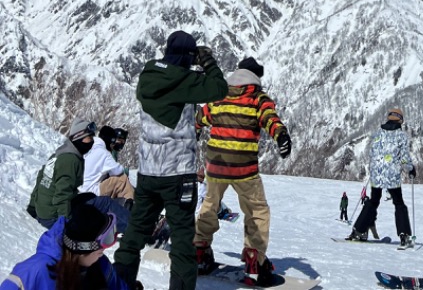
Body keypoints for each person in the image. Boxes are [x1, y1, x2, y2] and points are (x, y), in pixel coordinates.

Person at [113, 31, 227, 290]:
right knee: (184, 242)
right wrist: (207, 61)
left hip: (149, 172)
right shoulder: (186, 80)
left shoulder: (147, 77)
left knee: (134, 235)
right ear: (188, 57)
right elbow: (219, 88)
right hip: (178, 175)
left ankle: (119, 283)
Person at [194, 55, 291, 286]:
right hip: (244, 168)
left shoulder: (219, 96)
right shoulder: (257, 97)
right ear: (256, 77)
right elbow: (270, 118)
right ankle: (254, 262)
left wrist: (195, 131)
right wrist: (282, 136)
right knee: (257, 211)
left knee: (209, 206)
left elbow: (200, 117)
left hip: (215, 165)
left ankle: (199, 252)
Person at [2, 194, 124, 290]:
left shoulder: (100, 265)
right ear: (83, 248)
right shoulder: (34, 272)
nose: (104, 249)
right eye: (105, 240)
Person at [346, 108, 415, 246]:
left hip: (377, 174)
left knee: (373, 201)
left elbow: (372, 153)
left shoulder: (378, 133)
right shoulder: (401, 135)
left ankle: (358, 230)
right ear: (400, 120)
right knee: (399, 203)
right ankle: (404, 235)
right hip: (392, 174)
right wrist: (410, 169)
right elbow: (404, 158)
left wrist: (375, 169)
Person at [28, 120, 98, 229]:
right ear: (79, 138)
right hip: (52, 218)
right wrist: (65, 223)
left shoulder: (59, 153)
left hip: (43, 212)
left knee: (90, 197)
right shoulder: (70, 160)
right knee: (103, 203)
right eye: (89, 138)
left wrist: (32, 207)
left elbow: (41, 178)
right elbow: (62, 194)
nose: (92, 142)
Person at [81, 126, 134, 233]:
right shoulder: (105, 152)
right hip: (90, 191)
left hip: (82, 188)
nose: (119, 143)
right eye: (118, 140)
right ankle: (129, 215)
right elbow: (118, 171)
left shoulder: (92, 146)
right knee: (122, 180)